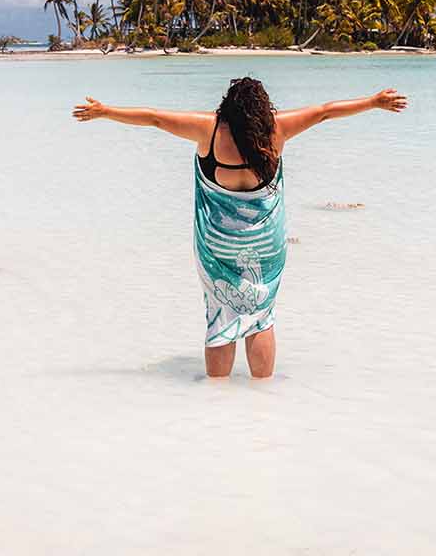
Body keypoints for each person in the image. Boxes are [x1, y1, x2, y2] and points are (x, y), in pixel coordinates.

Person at [72, 77, 408, 379]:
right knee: (261, 314)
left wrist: (104, 111)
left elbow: (155, 118)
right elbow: (324, 112)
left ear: (227, 106)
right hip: (266, 243)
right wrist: (373, 102)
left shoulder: (210, 129)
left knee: (221, 312)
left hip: (217, 243)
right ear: (264, 108)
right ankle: (262, 400)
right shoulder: (276, 130)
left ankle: (217, 399)